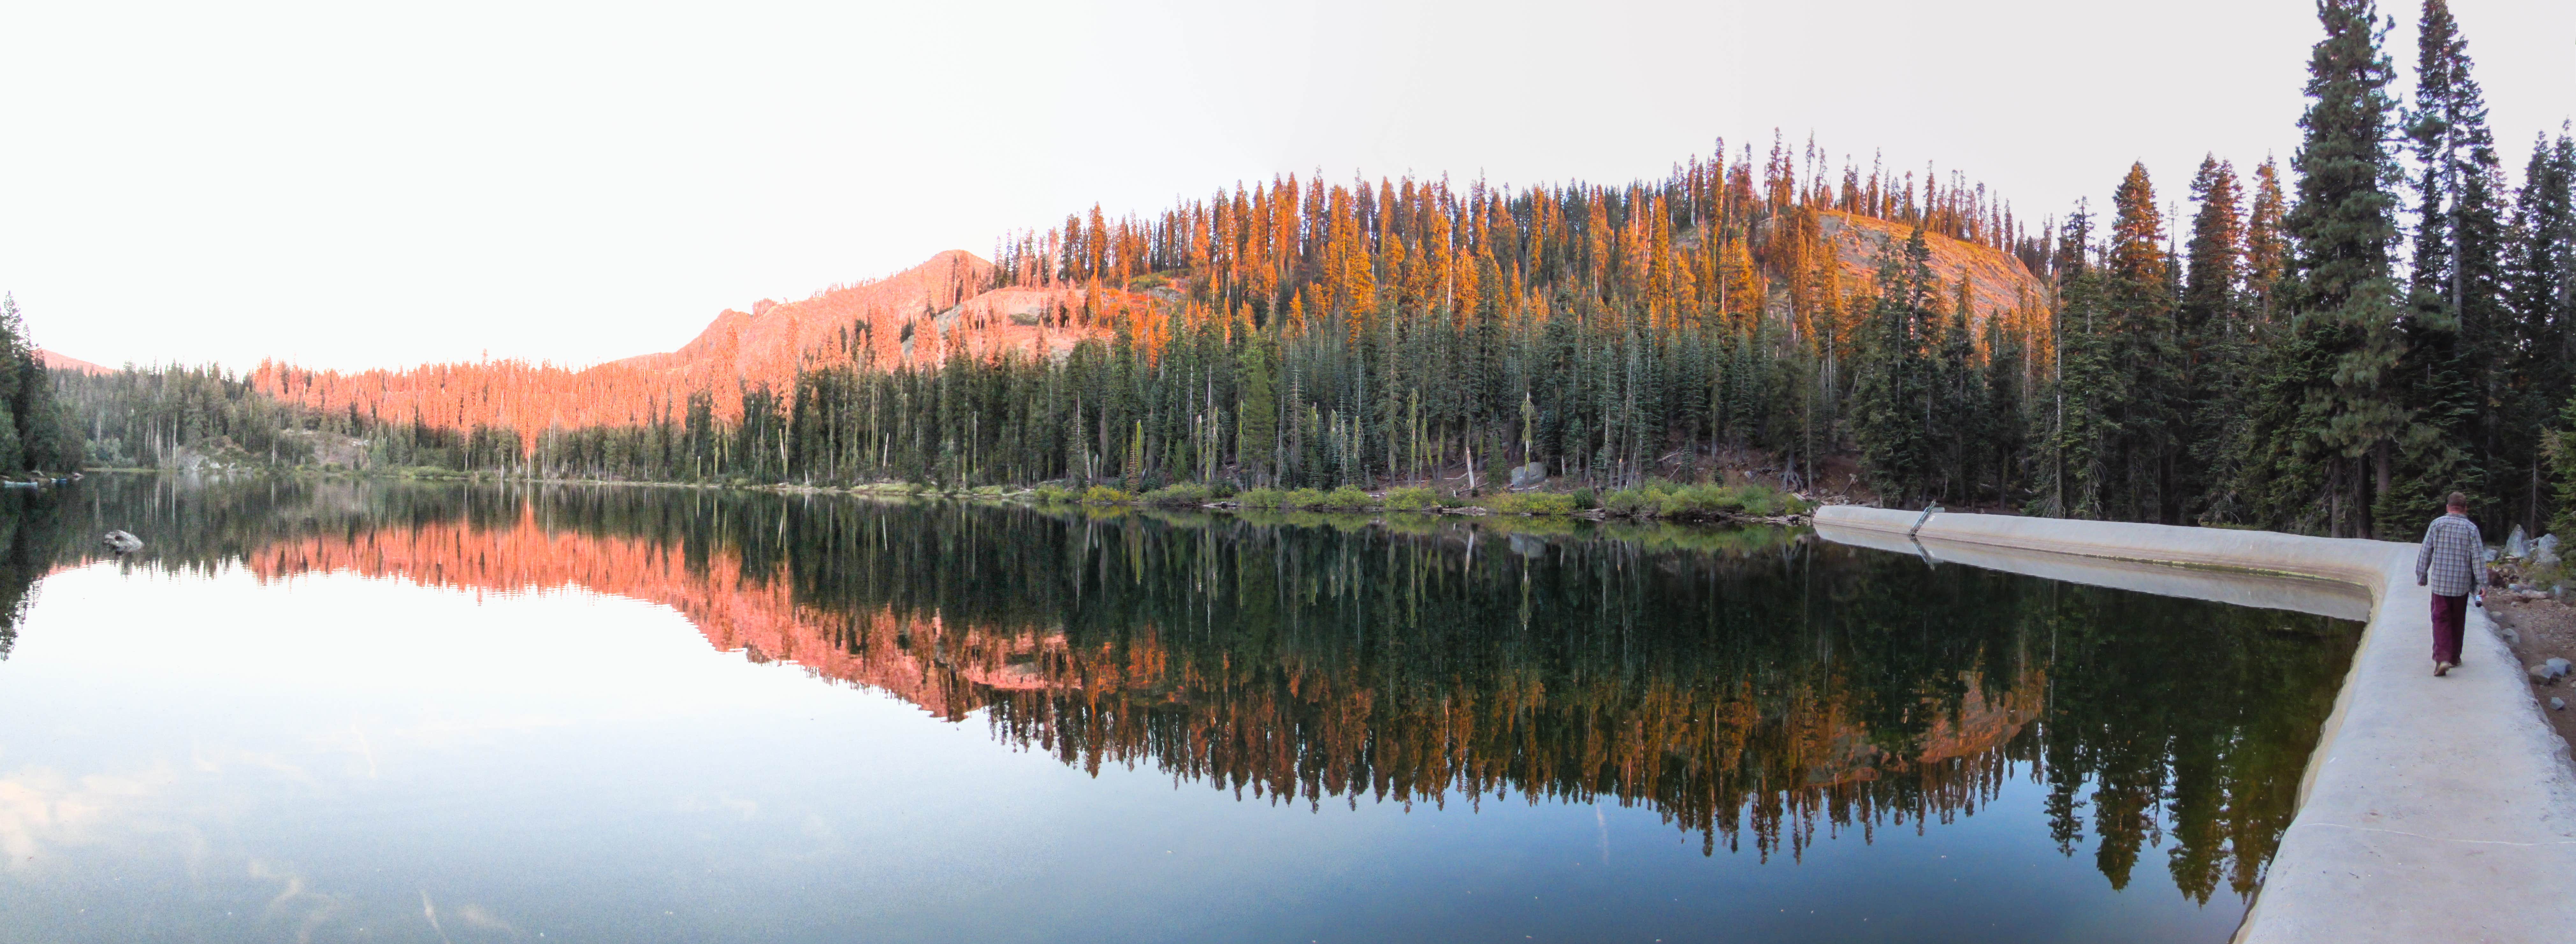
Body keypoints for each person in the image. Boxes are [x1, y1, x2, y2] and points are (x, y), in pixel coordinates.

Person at [2415, 491, 2488, 677]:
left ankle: (2442, 659)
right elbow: (2478, 558)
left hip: (2440, 585)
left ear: (2448, 507)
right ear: (2465, 509)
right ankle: (2454, 658)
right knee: (2458, 620)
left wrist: (2422, 575)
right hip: (2461, 585)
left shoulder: (2437, 524)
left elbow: (2426, 551)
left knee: (2440, 619)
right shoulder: (2471, 529)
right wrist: (2481, 584)